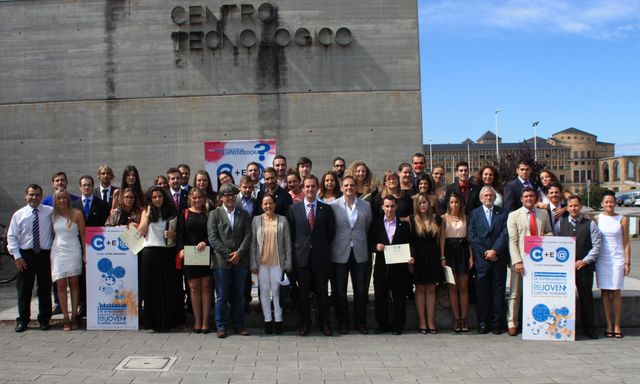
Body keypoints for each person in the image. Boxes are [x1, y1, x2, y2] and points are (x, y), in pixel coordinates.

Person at [288, 175, 336, 336]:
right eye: (307, 186)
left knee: (323, 293)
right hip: (302, 258)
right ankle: (305, 324)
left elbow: (331, 233)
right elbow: (292, 234)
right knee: (303, 293)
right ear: (303, 188)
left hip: (320, 258)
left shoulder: (326, 209)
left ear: (318, 188)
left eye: (313, 186)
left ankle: (325, 324)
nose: (310, 189)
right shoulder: (294, 209)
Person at [8, 184, 55, 332]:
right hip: (25, 256)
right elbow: (12, 237)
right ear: (26, 196)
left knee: (45, 289)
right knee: (24, 290)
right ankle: (23, 320)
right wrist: (17, 257)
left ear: (41, 196)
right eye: (31, 194)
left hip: (44, 255)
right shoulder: (19, 214)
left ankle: (44, 320)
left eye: (37, 195)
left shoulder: (50, 212)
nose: (34, 197)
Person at [506, 187, 552, 336]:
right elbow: (512, 241)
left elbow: (550, 231)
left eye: (531, 196)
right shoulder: (514, 215)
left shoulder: (543, 214)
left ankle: (535, 321)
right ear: (521, 199)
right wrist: (517, 261)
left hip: (538, 261)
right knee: (515, 293)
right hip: (520, 260)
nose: (529, 199)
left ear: (535, 197)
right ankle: (512, 322)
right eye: (526, 197)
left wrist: (547, 237)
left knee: (536, 293)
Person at [208, 183, 252, 338]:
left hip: (241, 261)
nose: (230, 198)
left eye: (233, 195)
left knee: (239, 295)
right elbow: (213, 238)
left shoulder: (244, 214)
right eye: (226, 195)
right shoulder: (214, 214)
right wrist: (228, 255)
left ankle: (239, 325)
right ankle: (221, 326)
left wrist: (239, 254)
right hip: (221, 262)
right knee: (221, 296)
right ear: (221, 198)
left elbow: (248, 236)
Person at [554, 195, 601, 339]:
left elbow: (597, 246)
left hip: (583, 267)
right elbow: (554, 244)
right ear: (567, 208)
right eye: (570, 206)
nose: (573, 208)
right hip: (565, 269)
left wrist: (585, 261)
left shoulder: (590, 224)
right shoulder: (559, 225)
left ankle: (589, 328)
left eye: (576, 205)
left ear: (580, 207)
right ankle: (563, 328)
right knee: (563, 298)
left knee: (586, 296)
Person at [330, 176, 372, 335]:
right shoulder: (333, 206)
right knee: (340, 290)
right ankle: (343, 322)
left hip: (359, 251)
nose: (349, 188)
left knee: (360, 290)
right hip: (340, 252)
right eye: (346, 185)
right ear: (341, 187)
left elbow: (367, 226)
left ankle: (360, 322)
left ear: (356, 187)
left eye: (352, 185)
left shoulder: (366, 206)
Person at [137, 186, 183, 332]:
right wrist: (148, 216)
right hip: (150, 253)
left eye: (160, 196)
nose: (157, 199)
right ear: (150, 199)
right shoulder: (146, 212)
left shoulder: (171, 212)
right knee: (151, 288)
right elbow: (141, 232)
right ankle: (153, 322)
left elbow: (178, 233)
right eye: (154, 197)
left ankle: (169, 321)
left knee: (167, 288)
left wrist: (173, 235)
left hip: (167, 253)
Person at [468, 186, 509, 334]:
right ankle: (483, 322)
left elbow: (505, 234)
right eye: (485, 195)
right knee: (482, 293)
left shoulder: (503, 213)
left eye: (491, 195)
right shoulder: (474, 214)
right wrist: (486, 252)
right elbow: (472, 236)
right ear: (480, 198)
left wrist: (495, 250)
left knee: (498, 292)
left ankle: (497, 323)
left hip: (498, 258)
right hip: (482, 260)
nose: (488, 197)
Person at [250, 194, 292, 335]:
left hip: (277, 262)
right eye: (265, 204)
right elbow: (253, 244)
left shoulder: (282, 220)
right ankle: (268, 320)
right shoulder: (256, 220)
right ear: (262, 205)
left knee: (276, 291)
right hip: (261, 263)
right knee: (264, 291)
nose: (268, 206)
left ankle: (278, 320)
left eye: (270, 203)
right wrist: (253, 263)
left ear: (275, 204)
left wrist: (288, 262)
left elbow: (287, 243)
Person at [371, 195, 411, 335]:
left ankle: (398, 325)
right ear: (382, 207)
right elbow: (369, 242)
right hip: (382, 267)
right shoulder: (375, 224)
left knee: (399, 297)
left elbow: (409, 244)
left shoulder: (404, 225)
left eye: (392, 206)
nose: (389, 209)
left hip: (399, 267)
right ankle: (382, 324)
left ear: (396, 207)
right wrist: (376, 246)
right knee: (380, 297)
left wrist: (411, 257)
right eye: (387, 206)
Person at [594, 190, 630, 338]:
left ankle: (617, 324)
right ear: (602, 204)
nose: (609, 204)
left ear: (615, 203)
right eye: (606, 202)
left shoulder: (622, 219)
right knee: (605, 292)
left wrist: (627, 262)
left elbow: (626, 242)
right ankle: (608, 324)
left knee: (616, 291)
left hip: (617, 258)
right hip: (602, 259)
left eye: (611, 201)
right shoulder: (597, 218)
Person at [72, 175, 109, 319]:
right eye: (84, 185)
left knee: (98, 276)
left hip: (98, 246)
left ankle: (97, 302)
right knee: (81, 277)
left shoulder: (102, 205)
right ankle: (83, 305)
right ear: (80, 187)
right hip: (78, 246)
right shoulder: (74, 205)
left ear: (92, 186)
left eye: (89, 185)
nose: (86, 188)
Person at [176, 188, 212, 334]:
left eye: (199, 198)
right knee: (194, 289)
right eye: (194, 198)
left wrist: (205, 242)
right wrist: (180, 250)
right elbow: (180, 234)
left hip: (206, 254)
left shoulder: (208, 213)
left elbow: (214, 233)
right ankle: (197, 321)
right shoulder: (184, 213)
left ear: (204, 199)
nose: (197, 201)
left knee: (207, 288)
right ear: (190, 198)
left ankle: (205, 321)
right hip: (190, 256)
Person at [50, 189, 85, 330]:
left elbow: (83, 235)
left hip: (74, 250)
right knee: (60, 285)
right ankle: (65, 317)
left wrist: (84, 253)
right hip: (58, 252)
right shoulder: (53, 216)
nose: (62, 200)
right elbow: (53, 235)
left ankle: (74, 316)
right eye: (59, 198)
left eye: (65, 198)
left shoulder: (77, 214)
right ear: (56, 200)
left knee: (74, 284)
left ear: (68, 199)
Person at [410, 192, 442, 334]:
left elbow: (441, 240)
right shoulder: (411, 220)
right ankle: (422, 321)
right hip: (418, 258)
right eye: (420, 203)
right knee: (420, 289)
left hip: (433, 257)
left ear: (430, 204)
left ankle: (430, 320)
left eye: (425, 202)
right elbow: (409, 242)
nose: (423, 205)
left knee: (431, 289)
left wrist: (442, 258)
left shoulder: (437, 219)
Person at [440, 192, 472, 333]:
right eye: (452, 202)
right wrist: (442, 257)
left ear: (461, 204)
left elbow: (469, 239)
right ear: (448, 204)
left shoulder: (466, 218)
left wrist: (471, 256)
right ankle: (456, 318)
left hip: (463, 251)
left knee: (463, 286)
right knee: (452, 287)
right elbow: (442, 239)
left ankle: (464, 318)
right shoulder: (443, 218)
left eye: (457, 202)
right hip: (449, 252)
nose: (454, 205)